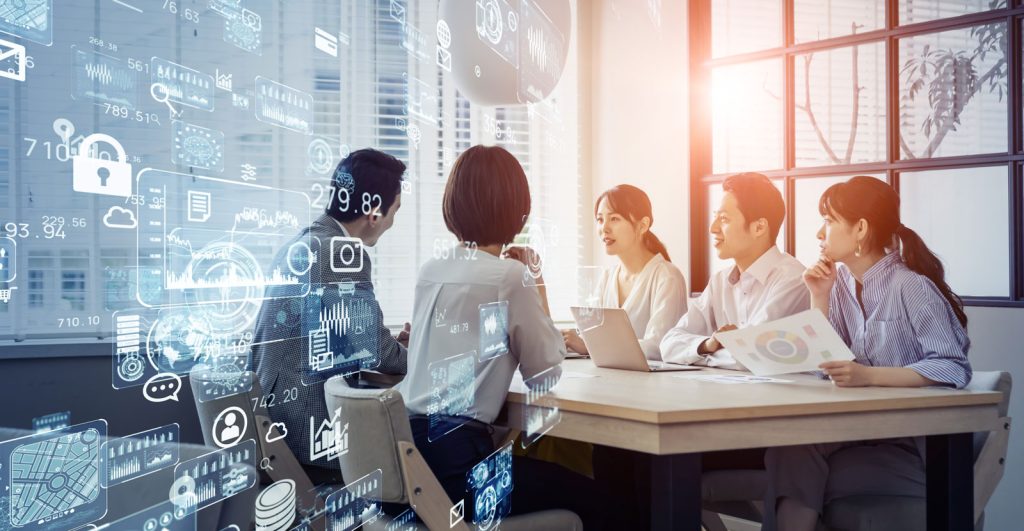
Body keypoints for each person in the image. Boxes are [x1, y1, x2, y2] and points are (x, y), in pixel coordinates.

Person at [396, 145, 613, 529]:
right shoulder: (510, 277)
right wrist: (535, 284)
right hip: (464, 472)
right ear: (518, 208)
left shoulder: (431, 270)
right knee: (605, 499)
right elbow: (545, 370)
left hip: (413, 466)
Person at [764, 176, 971, 531]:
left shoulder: (911, 286)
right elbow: (823, 366)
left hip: (910, 441)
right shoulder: (841, 284)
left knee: (798, 462)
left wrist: (868, 375)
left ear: (860, 228)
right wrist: (819, 296)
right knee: (790, 446)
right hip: (859, 428)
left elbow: (953, 366)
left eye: (829, 221)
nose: (819, 233)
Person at [252, 148, 410, 484]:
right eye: (395, 211)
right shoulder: (340, 252)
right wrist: (422, 357)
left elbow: (336, 339)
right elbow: (379, 354)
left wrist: (391, 345)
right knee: (422, 449)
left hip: (273, 423)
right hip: (306, 435)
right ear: (374, 212)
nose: (393, 222)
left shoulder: (303, 243)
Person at [660, 172, 809, 370]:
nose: (713, 228)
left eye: (724, 219)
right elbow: (668, 345)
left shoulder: (792, 279)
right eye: (715, 217)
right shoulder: (719, 281)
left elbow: (751, 356)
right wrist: (708, 345)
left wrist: (701, 355)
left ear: (759, 227)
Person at [562, 184, 687, 360]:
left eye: (614, 219)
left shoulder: (667, 277)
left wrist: (591, 347)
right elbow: (590, 334)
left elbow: (659, 346)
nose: (604, 228)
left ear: (643, 225)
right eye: (600, 219)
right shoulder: (607, 277)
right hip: (608, 374)